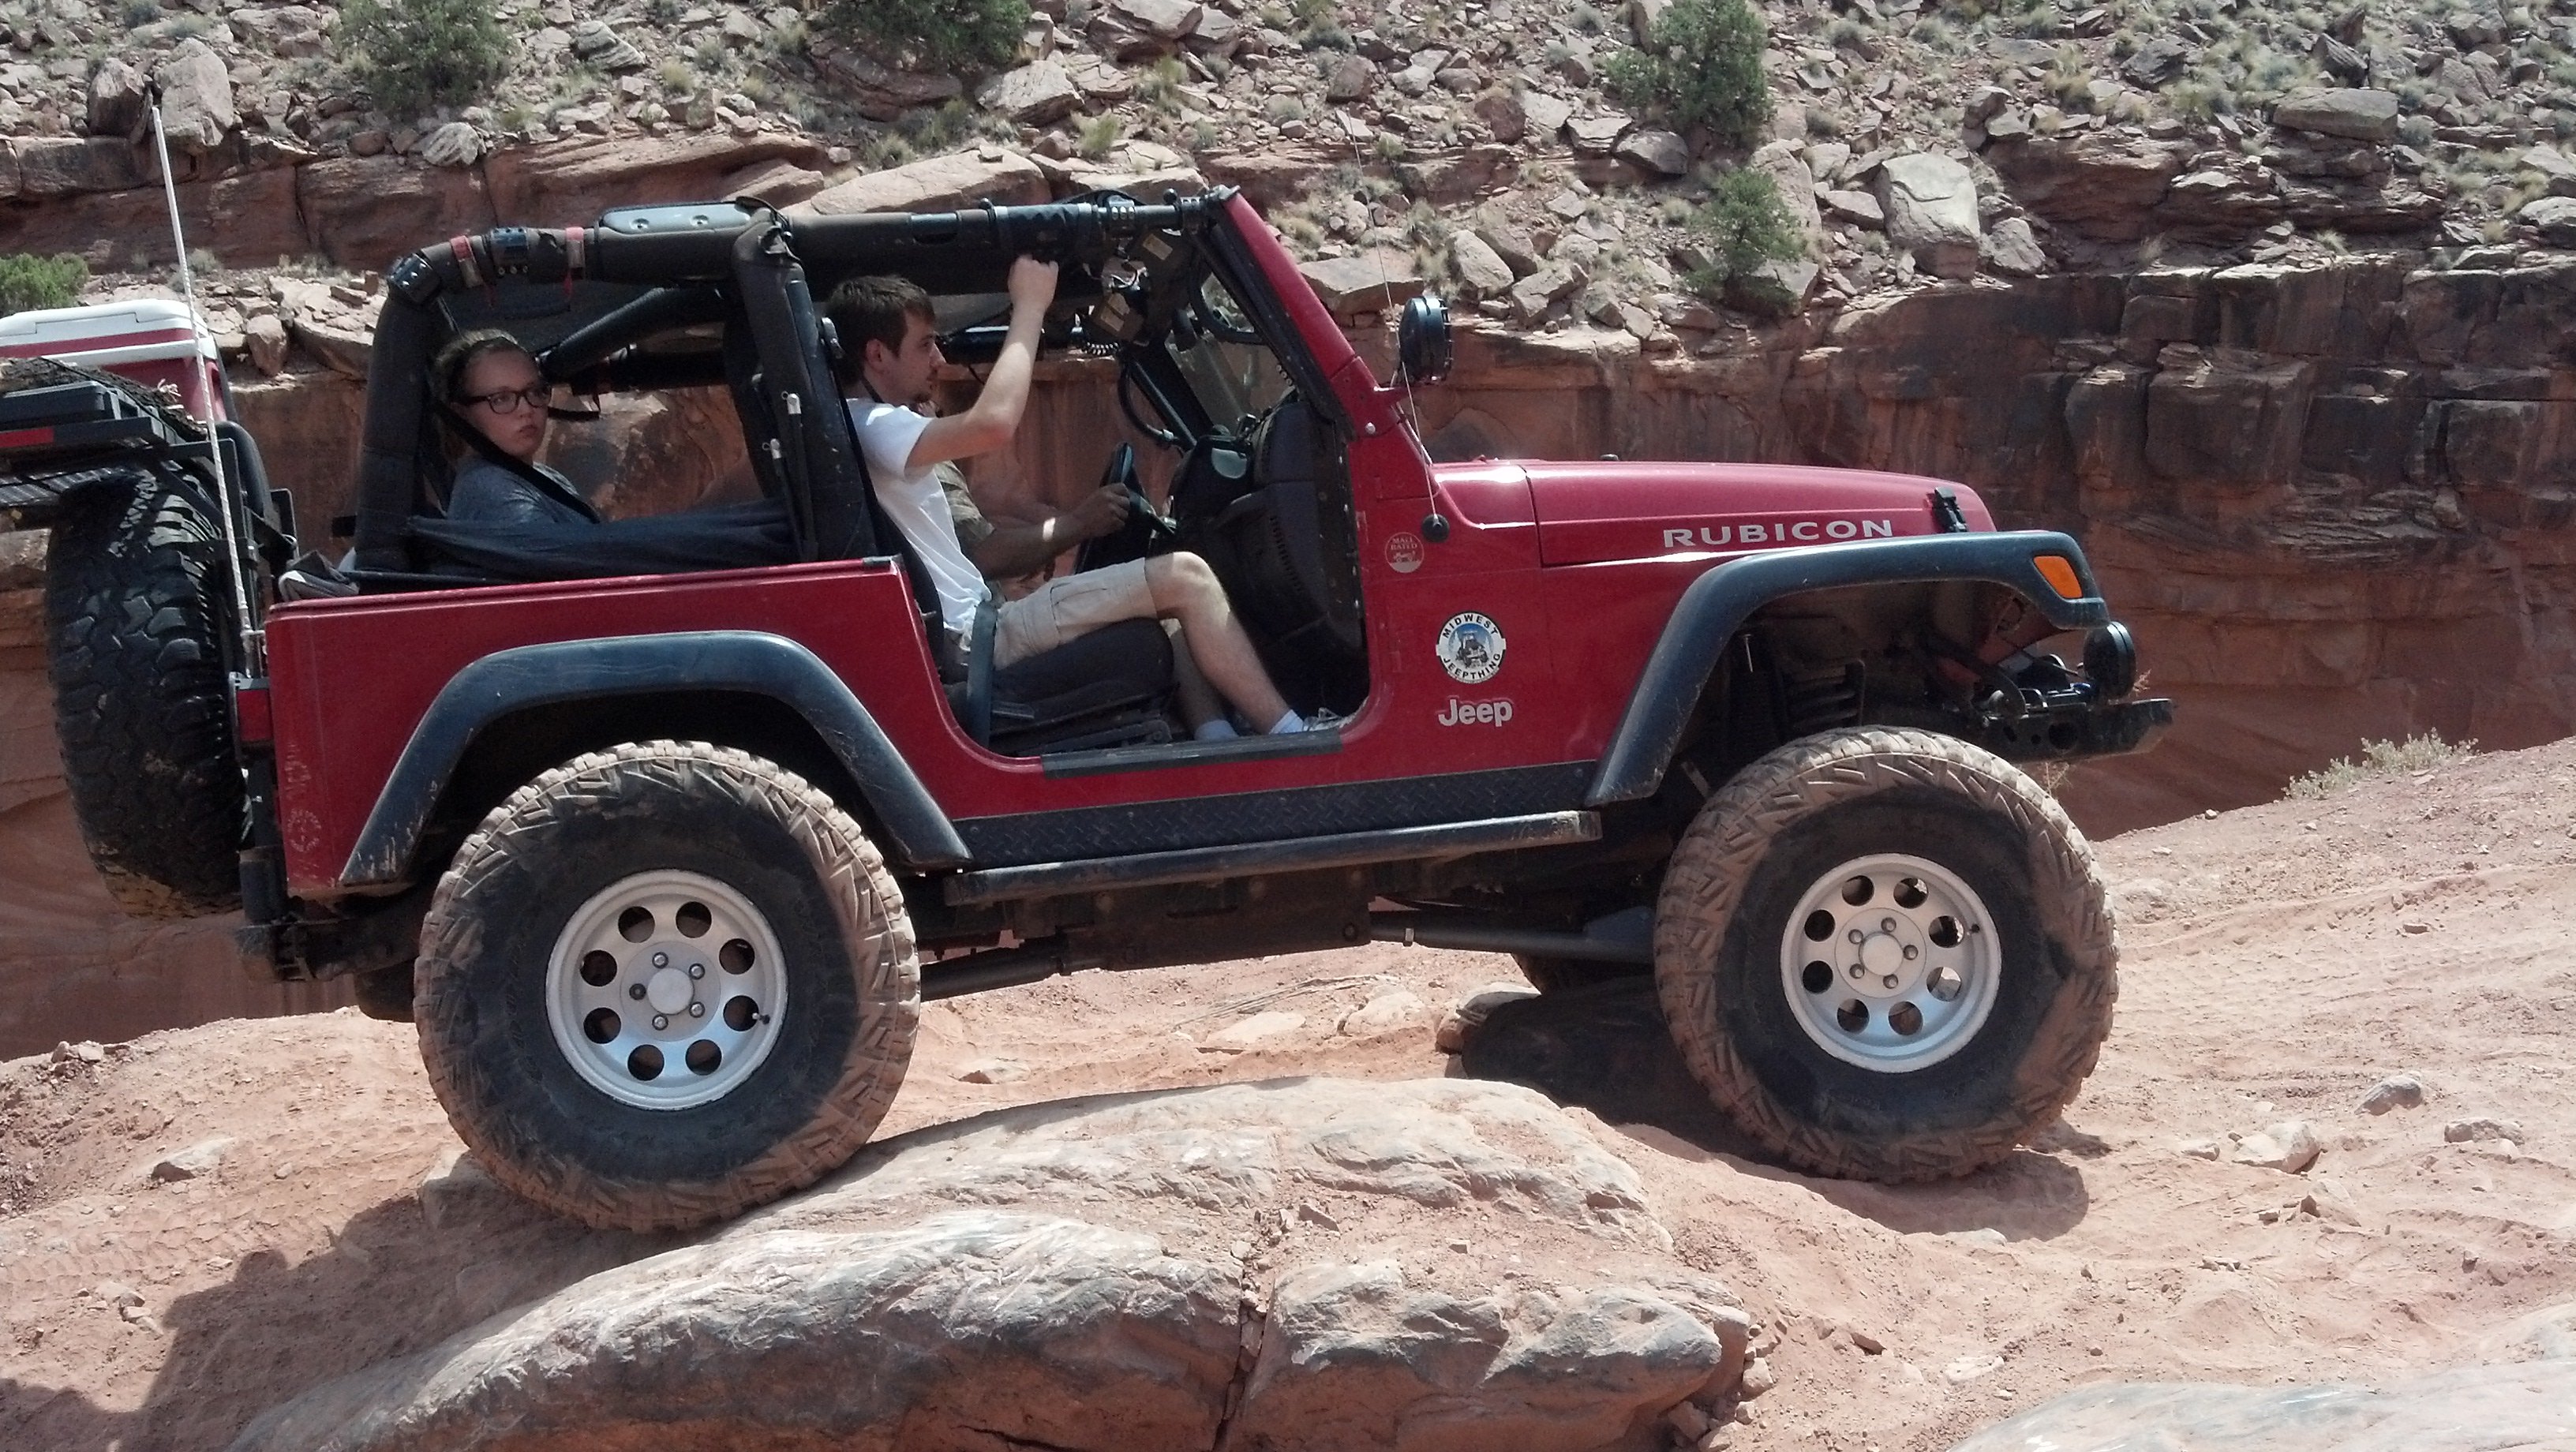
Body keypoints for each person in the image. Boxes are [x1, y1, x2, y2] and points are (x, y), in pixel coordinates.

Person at [825, 262, 1328, 735]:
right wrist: (1030, 305)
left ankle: (1215, 739)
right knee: (1188, 576)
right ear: (877, 355)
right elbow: (994, 423)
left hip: (982, 624)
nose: (939, 358)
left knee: (1165, 593)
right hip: (982, 639)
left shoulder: (869, 427)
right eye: (924, 345)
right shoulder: (875, 425)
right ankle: (1293, 736)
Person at [429, 329, 600, 527]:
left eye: (535, 391)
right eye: (501, 399)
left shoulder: (545, 476)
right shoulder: (490, 490)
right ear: (461, 415)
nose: (526, 410)